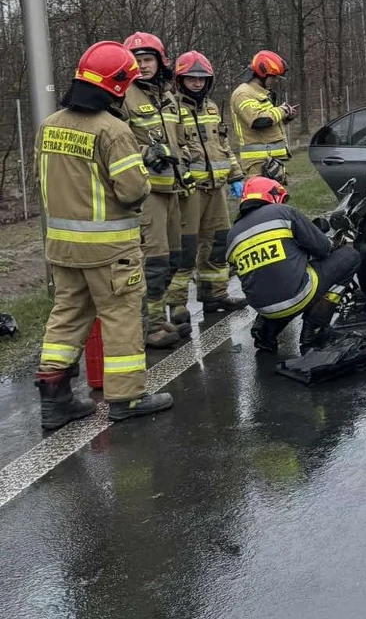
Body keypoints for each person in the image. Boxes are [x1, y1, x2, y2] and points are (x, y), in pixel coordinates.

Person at [33, 41, 175, 428]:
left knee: (65, 317)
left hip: (62, 247)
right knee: (120, 318)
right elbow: (132, 191)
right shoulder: (113, 130)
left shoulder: (49, 126)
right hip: (110, 249)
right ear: (117, 86)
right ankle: (127, 398)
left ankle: (55, 399)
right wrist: (145, 172)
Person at [226, 176, 360, 353]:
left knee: (275, 280)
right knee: (349, 256)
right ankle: (313, 330)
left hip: (262, 307)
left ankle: (266, 330)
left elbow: (263, 269)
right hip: (297, 297)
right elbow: (323, 248)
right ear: (272, 196)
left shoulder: (232, 235)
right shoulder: (283, 212)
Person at [122, 31, 194, 347]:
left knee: (173, 260)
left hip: (173, 189)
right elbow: (117, 143)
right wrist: (145, 154)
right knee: (153, 264)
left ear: (159, 61)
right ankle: (149, 327)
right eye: (136, 61)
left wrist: (186, 156)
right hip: (147, 192)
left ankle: (159, 320)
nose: (143, 65)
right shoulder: (124, 96)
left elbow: (181, 138)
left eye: (148, 59)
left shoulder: (167, 97)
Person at [174, 51, 248, 314]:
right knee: (185, 248)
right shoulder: (173, 109)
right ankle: (178, 305)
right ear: (180, 79)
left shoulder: (212, 107)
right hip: (189, 191)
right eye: (191, 78)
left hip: (216, 188)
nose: (196, 83)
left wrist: (236, 176)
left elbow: (224, 145)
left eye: (202, 78)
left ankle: (215, 294)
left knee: (218, 242)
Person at [229, 50, 296, 183]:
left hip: (271, 162)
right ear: (262, 74)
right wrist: (281, 111)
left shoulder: (261, 93)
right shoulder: (243, 93)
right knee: (261, 201)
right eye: (274, 77)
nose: (275, 81)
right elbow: (258, 121)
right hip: (258, 164)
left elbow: (269, 125)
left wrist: (286, 117)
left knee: (276, 201)